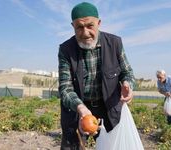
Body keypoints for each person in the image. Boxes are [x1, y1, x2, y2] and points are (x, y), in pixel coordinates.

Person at [58, 2, 135, 149]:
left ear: (99, 23)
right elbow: (65, 87)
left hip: (108, 108)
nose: (85, 32)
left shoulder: (115, 43)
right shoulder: (66, 50)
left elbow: (127, 72)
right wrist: (81, 109)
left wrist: (128, 84)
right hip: (78, 108)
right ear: (72, 26)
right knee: (73, 146)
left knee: (112, 146)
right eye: (79, 27)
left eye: (90, 26)